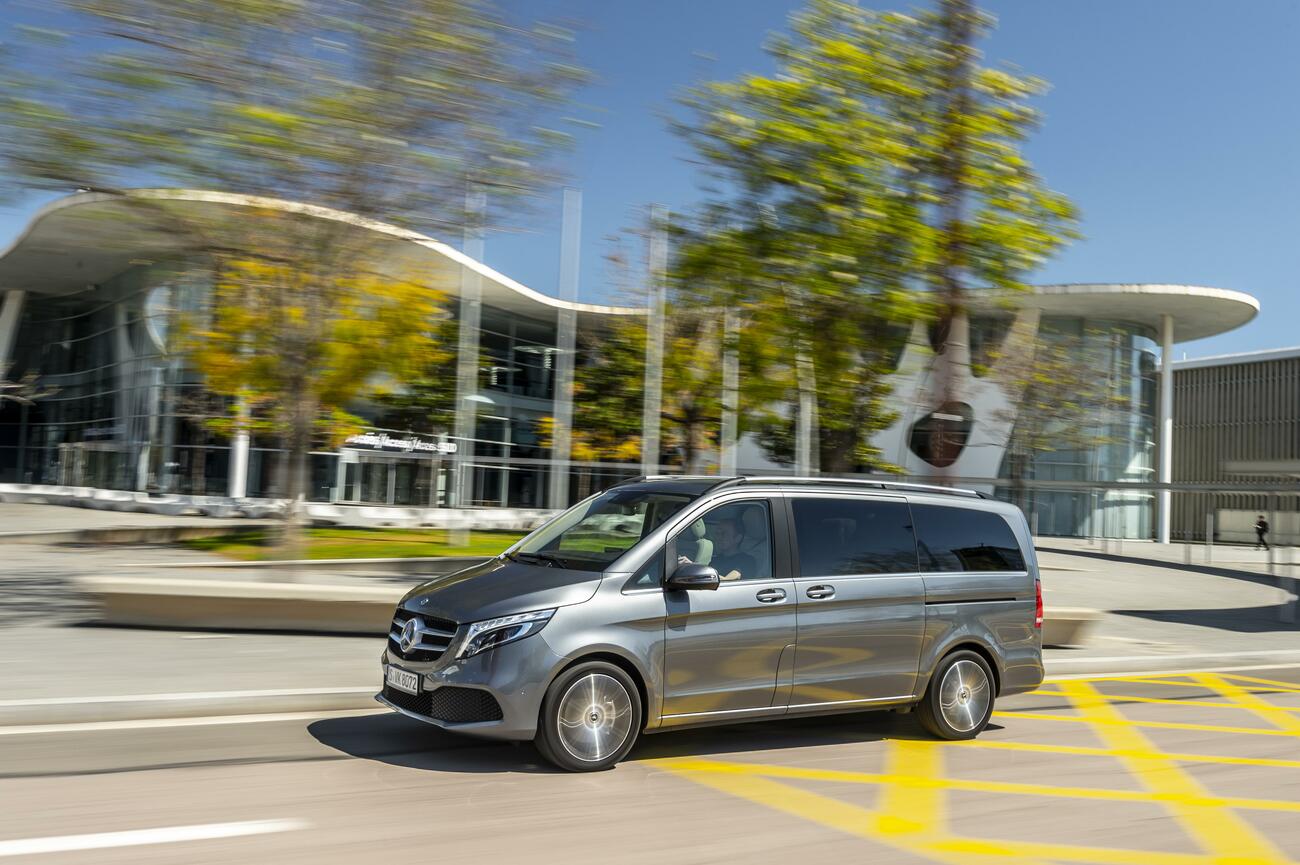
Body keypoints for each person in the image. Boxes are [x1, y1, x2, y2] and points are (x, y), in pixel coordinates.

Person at [679, 515, 755, 581]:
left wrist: (694, 567)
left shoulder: (747, 561)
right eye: (717, 533)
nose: (719, 537)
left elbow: (727, 580)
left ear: (737, 538)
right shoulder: (716, 559)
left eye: (724, 533)